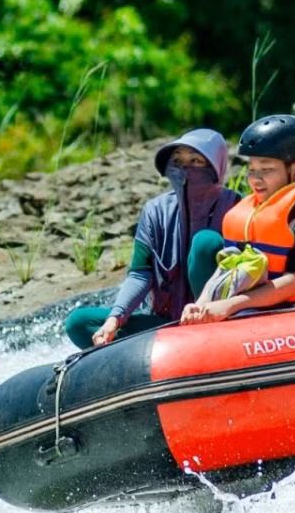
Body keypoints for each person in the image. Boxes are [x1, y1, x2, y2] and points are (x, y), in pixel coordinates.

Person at [62, 129, 240, 348]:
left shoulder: (237, 208)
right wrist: (115, 318)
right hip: (167, 324)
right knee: (80, 322)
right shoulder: (155, 211)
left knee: (206, 242)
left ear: (216, 167)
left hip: (220, 323)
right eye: (178, 161)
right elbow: (140, 273)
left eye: (196, 161)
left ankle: (207, 340)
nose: (185, 169)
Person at [180, 114, 295, 324]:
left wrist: (231, 305)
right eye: (252, 170)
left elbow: (294, 283)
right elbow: (230, 267)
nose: (256, 179)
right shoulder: (248, 212)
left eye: (266, 170)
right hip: (252, 306)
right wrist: (202, 304)